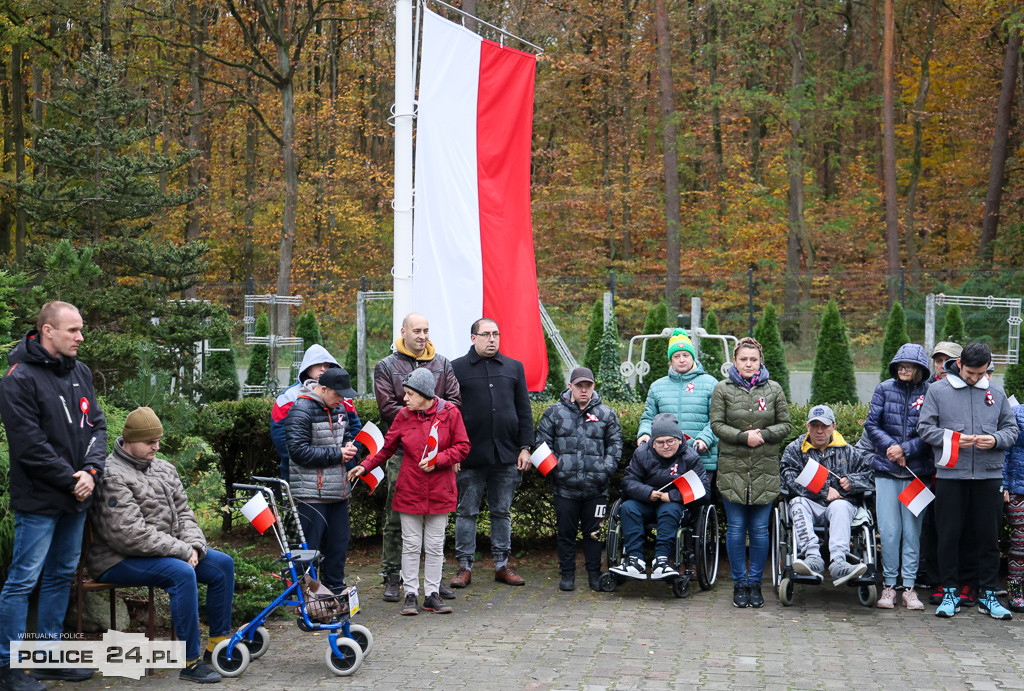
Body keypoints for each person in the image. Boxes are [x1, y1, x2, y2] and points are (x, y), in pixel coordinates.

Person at [0, 301, 106, 691]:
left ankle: (48, 657)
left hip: (77, 497)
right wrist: (71, 478)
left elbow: (97, 425)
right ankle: (8, 668)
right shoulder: (18, 378)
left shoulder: (80, 371)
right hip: (41, 500)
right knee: (23, 580)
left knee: (61, 575)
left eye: (81, 330)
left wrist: (92, 472)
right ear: (47, 331)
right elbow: (29, 444)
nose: (80, 337)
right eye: (73, 330)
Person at [87, 407, 234, 684]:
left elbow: (186, 514)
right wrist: (181, 552)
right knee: (180, 573)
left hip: (166, 552)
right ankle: (189, 663)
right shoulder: (112, 475)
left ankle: (217, 647)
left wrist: (194, 546)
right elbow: (129, 534)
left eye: (158, 440)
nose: (156, 446)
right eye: (149, 442)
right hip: (115, 559)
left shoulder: (164, 468)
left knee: (222, 565)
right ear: (129, 439)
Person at [350, 369, 469, 616]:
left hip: (440, 489)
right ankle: (411, 594)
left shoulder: (450, 413)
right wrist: (365, 465)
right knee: (411, 545)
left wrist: (439, 459)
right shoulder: (404, 416)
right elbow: (386, 448)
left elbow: (463, 446)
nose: (404, 399)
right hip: (410, 489)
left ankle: (433, 594)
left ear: (425, 394)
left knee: (435, 545)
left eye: (409, 394)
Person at [917, 343, 1019, 619]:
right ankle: (949, 592)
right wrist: (952, 440)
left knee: (988, 538)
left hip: (989, 475)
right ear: (959, 363)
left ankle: (987, 593)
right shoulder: (938, 390)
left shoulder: (996, 392)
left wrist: (995, 439)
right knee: (948, 536)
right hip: (951, 475)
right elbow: (925, 428)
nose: (975, 378)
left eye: (981, 373)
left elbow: (1011, 430)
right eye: (971, 372)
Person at [373, 313, 461, 602]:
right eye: (417, 330)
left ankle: (434, 585)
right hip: (403, 454)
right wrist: (420, 417)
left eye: (426, 330)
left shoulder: (443, 364)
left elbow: (454, 403)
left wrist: (444, 450)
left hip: (439, 457)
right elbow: (388, 408)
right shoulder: (386, 366)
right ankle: (392, 576)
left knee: (436, 527)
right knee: (396, 518)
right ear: (404, 332)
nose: (423, 336)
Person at [450, 318, 534, 588]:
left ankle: (502, 565)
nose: (492, 339)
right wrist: (453, 453)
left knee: (501, 512)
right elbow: (450, 413)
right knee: (467, 512)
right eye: (485, 334)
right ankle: (464, 566)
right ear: (473, 338)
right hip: (469, 456)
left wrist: (525, 447)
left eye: (496, 334)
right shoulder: (456, 369)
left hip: (506, 455)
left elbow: (524, 410)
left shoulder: (513, 367)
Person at [709, 336, 791, 608]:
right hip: (732, 470)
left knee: (758, 531)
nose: (748, 363)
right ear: (734, 361)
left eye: (753, 359)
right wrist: (744, 437)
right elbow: (717, 425)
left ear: (760, 361)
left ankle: (755, 584)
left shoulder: (774, 389)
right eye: (743, 359)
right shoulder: (722, 389)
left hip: (764, 471)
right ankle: (739, 583)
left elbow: (786, 425)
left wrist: (764, 435)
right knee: (734, 530)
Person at [534, 367, 622, 592]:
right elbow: (542, 446)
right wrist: (558, 471)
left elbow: (615, 445)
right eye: (579, 385)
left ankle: (594, 573)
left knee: (594, 534)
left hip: (597, 488)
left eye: (588, 386)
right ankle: (567, 574)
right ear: (570, 386)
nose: (584, 390)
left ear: (593, 387)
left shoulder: (606, 414)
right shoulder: (553, 413)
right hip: (564, 489)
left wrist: (605, 470)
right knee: (566, 533)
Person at [863, 343, 931, 610]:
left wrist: (906, 449)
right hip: (886, 472)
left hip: (917, 474)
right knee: (889, 532)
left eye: (909, 365)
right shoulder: (883, 389)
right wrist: (892, 448)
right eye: (900, 364)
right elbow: (871, 424)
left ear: (919, 369)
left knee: (912, 533)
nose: (903, 368)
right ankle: (889, 586)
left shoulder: (930, 392)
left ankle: (910, 588)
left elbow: (931, 430)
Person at [284, 368, 361, 596]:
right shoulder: (300, 410)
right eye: (339, 395)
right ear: (324, 388)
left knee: (338, 544)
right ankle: (303, 592)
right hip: (310, 493)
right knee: (309, 548)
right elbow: (298, 452)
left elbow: (345, 436)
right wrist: (338, 454)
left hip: (338, 490)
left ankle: (335, 588)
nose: (342, 400)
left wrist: (349, 447)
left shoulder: (339, 408)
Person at [780, 405, 874, 587]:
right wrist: (823, 490)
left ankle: (839, 562)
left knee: (839, 506)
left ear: (833, 426)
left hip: (840, 506)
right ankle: (813, 558)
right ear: (807, 426)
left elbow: (869, 476)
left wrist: (851, 482)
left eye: (824, 425)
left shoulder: (848, 451)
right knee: (797, 502)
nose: (819, 430)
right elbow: (788, 477)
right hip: (809, 504)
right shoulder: (795, 450)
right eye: (814, 425)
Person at [610, 414, 708, 580]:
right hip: (647, 502)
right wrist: (648, 492)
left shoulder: (690, 458)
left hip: (675, 505)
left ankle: (661, 561)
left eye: (670, 441)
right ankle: (635, 561)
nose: (666, 446)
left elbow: (703, 492)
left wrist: (672, 496)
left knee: (669, 510)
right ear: (652, 444)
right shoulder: (642, 453)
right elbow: (628, 482)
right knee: (627, 508)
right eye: (660, 442)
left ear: (679, 439)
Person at [637, 329, 718, 482]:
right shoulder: (657, 387)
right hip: (664, 461)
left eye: (686, 355)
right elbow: (648, 418)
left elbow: (716, 420)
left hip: (700, 459)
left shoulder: (711, 384)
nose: (682, 359)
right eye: (676, 356)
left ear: (692, 357)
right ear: (670, 360)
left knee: (694, 502)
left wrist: (704, 439)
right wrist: (644, 434)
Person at [271, 344, 362, 482]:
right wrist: (305, 463)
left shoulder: (344, 398)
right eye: (317, 364)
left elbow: (354, 430)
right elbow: (280, 437)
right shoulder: (288, 397)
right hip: (301, 475)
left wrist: (349, 458)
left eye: (327, 365)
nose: (323, 368)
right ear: (307, 366)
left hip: (338, 474)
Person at [920, 341, 963, 604]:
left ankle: (960, 581)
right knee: (933, 529)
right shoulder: (926, 390)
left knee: (958, 531)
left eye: (948, 359)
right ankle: (936, 580)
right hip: (928, 474)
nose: (941, 365)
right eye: (937, 360)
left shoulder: (968, 390)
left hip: (958, 475)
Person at [1004, 401, 1024, 612]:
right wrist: (1005, 485)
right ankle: (1014, 589)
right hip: (1018, 488)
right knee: (1021, 539)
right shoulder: (1017, 414)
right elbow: (1005, 451)